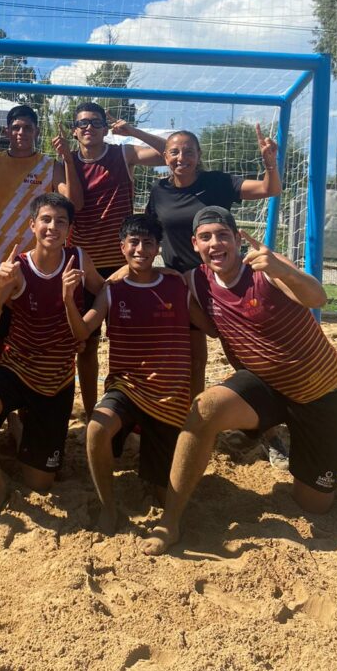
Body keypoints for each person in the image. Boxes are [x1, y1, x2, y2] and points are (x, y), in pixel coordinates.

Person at [140, 206, 337, 557]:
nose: (215, 243)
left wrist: (284, 269)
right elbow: (150, 277)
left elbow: (318, 297)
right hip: (264, 385)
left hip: (321, 393)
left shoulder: (266, 269)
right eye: (206, 237)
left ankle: (271, 435)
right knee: (204, 408)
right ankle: (170, 522)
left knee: (314, 505)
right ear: (195, 244)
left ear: (238, 239)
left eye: (222, 235)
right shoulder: (196, 280)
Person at [63, 213, 214, 536]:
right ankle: (108, 507)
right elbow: (83, 329)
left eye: (148, 243)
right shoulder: (112, 289)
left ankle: (153, 464)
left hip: (170, 397)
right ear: (122, 247)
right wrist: (67, 298)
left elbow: (213, 328)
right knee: (95, 430)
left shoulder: (177, 286)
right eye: (134, 242)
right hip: (126, 387)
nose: (141, 249)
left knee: (163, 495)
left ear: (158, 248)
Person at [0, 193, 105, 520]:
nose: (53, 226)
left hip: (57, 380)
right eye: (46, 219)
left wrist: (92, 317)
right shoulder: (17, 267)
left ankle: (20, 426)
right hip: (17, 369)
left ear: (69, 228)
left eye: (61, 221)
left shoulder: (79, 258)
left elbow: (104, 289)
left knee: (40, 484)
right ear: (32, 225)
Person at [146, 125, 281, 402]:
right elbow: (151, 232)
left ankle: (265, 420)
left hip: (221, 281)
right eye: (174, 152)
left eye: (189, 151)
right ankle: (194, 415)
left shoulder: (218, 182)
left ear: (199, 155)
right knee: (195, 358)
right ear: (165, 156)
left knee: (239, 352)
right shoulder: (159, 191)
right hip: (183, 285)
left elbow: (271, 188)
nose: (181, 157)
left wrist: (269, 162)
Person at [69, 103, 166, 417]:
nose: (89, 128)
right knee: (86, 345)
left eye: (95, 122)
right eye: (83, 123)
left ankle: (130, 407)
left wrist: (133, 131)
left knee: (129, 344)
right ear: (74, 130)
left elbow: (170, 153)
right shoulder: (66, 163)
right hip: (83, 265)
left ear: (104, 128)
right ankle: (89, 411)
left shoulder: (122, 154)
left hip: (123, 266)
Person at [0, 105, 83, 268]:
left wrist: (68, 159)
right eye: (16, 128)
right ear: (7, 132)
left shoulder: (50, 166)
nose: (21, 132)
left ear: (37, 132)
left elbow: (75, 204)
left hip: (33, 259)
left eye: (28, 128)